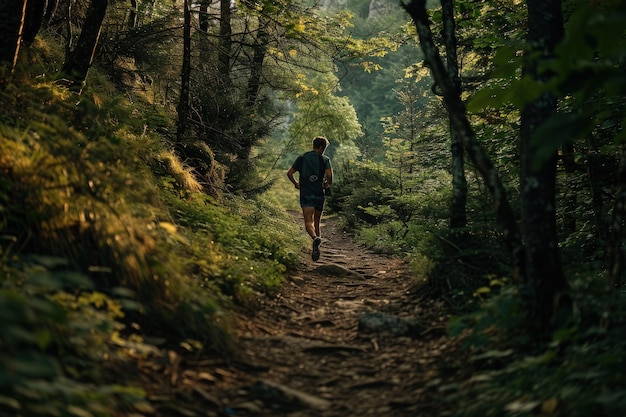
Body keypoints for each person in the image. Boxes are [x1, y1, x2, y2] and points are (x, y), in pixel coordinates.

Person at [287, 136, 332, 261]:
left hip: (306, 193)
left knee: (308, 222)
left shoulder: (302, 157)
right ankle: (317, 248)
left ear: (314, 145)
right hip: (319, 194)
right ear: (322, 147)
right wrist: (326, 184)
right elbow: (329, 176)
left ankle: (314, 238)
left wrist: (296, 184)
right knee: (317, 221)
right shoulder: (325, 159)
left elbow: (290, 173)